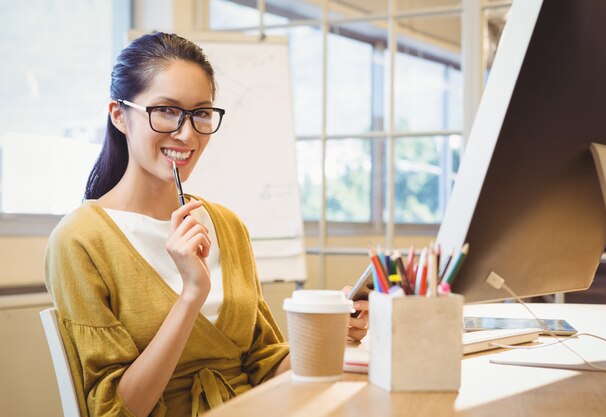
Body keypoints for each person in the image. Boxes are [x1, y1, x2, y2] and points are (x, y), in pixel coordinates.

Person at [44, 32, 369, 417]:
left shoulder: (227, 226)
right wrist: (190, 295)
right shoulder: (79, 240)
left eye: (200, 113)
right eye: (165, 110)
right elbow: (114, 409)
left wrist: (329, 336)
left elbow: (264, 365)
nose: (186, 133)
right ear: (119, 115)